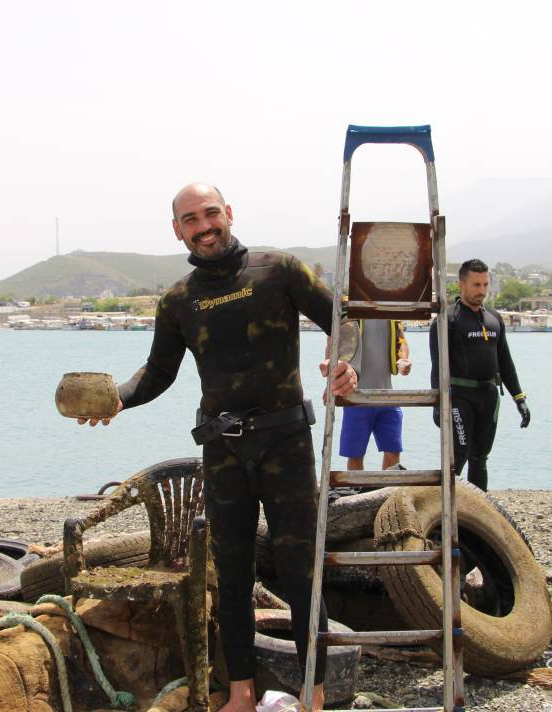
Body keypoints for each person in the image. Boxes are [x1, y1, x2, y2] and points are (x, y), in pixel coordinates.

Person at [80, 183, 359, 712]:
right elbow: (158, 373)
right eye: (191, 219)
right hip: (224, 448)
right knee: (230, 574)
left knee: (301, 570)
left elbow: (343, 322)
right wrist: (116, 397)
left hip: (286, 442)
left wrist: (343, 362)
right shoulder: (179, 300)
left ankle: (314, 695)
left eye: (211, 213)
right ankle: (240, 695)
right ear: (177, 229)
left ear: (229, 213)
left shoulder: (279, 269)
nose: (204, 226)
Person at [429, 259, 529, 492]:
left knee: (480, 457)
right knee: (458, 456)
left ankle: (477, 516)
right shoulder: (447, 320)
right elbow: (437, 365)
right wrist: (437, 403)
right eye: (476, 285)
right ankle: (444, 510)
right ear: (461, 284)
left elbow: (505, 362)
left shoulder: (495, 319)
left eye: (485, 285)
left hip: (489, 395)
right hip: (459, 396)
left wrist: (519, 398)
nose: (481, 291)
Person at [339, 320, 411, 471]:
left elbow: (402, 340)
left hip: (388, 397)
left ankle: (387, 491)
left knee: (394, 451)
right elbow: (333, 344)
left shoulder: (390, 314)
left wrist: (404, 360)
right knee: (355, 454)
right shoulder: (352, 313)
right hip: (356, 398)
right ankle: (356, 493)